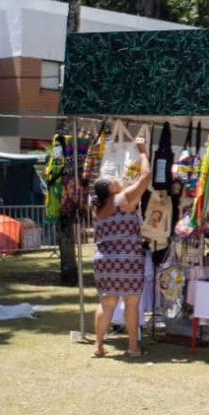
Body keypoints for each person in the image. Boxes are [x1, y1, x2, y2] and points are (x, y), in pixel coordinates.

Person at [91, 135, 151, 358]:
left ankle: (98, 346)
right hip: (127, 259)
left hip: (105, 260)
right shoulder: (123, 199)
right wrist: (142, 150)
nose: (118, 179)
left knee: (106, 304)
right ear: (111, 189)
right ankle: (133, 347)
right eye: (113, 180)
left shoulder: (97, 208)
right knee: (132, 304)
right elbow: (145, 177)